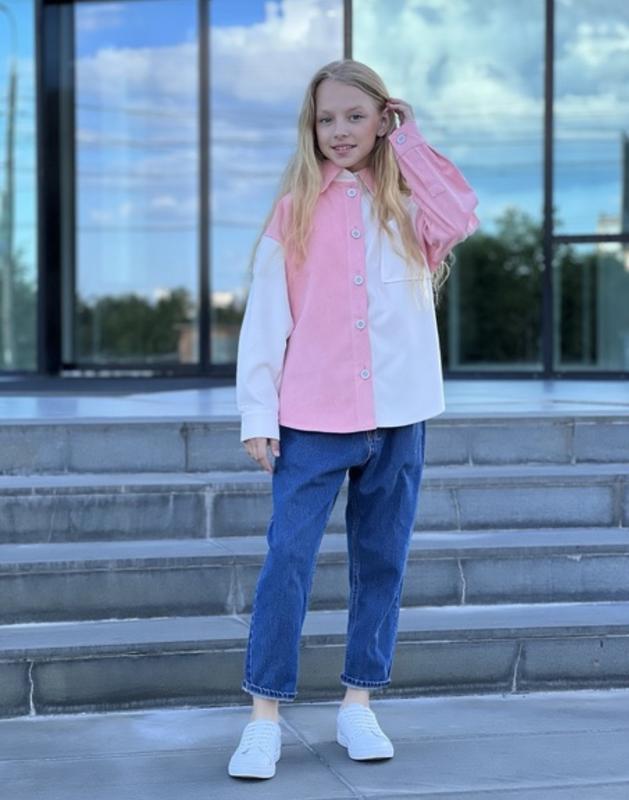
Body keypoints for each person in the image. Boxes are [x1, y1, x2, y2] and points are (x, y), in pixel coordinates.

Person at [228, 58, 479, 780]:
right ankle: (264, 716)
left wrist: (410, 141)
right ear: (310, 128)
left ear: (381, 119)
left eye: (355, 116)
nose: (339, 130)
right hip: (311, 420)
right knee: (287, 561)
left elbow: (461, 216)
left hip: (399, 417)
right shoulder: (295, 211)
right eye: (325, 119)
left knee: (382, 561)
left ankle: (358, 702)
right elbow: (265, 318)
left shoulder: (410, 206)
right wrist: (257, 411)